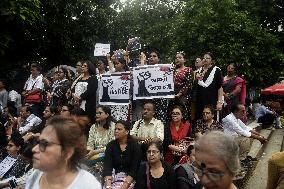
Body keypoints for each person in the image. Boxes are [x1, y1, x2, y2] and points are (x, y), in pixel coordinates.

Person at [25, 116, 101, 189]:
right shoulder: (35, 176)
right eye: (38, 142)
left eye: (44, 144)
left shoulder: (88, 185)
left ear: (67, 152)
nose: (34, 149)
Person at [103, 120, 141, 189]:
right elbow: (107, 168)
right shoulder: (110, 145)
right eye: (115, 129)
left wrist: (123, 187)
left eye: (119, 129)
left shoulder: (135, 146)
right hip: (112, 178)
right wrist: (108, 186)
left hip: (128, 180)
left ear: (127, 132)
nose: (116, 131)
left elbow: (133, 170)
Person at [195, 52, 223, 120]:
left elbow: (220, 87)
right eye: (204, 58)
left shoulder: (216, 70)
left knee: (212, 119)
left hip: (212, 100)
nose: (205, 59)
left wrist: (219, 102)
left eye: (207, 58)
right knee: (200, 119)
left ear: (212, 60)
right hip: (200, 101)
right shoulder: (198, 71)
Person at [172, 52, 193, 121]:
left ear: (184, 60)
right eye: (176, 58)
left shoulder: (188, 69)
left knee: (183, 115)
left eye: (180, 57)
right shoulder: (173, 70)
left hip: (183, 97)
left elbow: (188, 84)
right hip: (172, 96)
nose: (177, 59)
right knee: (173, 115)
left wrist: (180, 93)